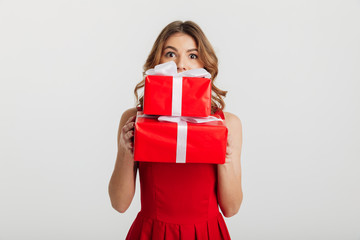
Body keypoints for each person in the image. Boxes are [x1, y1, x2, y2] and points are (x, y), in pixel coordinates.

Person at [108, 20, 243, 239]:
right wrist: (126, 150)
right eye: (170, 54)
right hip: (152, 233)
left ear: (205, 64)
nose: (181, 65)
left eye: (192, 55)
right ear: (156, 61)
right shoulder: (133, 120)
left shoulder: (228, 124)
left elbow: (232, 208)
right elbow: (119, 204)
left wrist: (224, 156)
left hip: (206, 233)